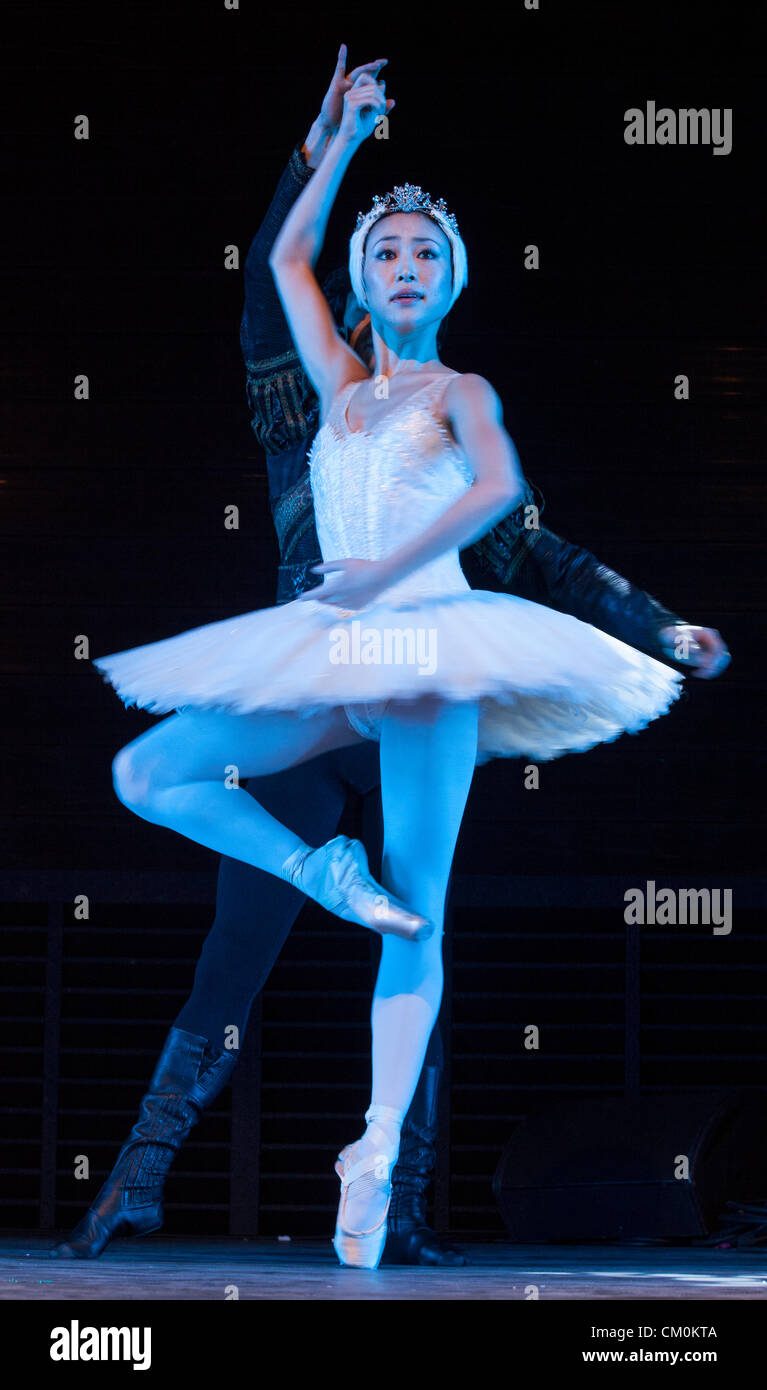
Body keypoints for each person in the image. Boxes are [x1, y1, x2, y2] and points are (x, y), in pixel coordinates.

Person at [53, 51, 729, 1271]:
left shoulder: (460, 388)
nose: (404, 265)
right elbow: (280, 266)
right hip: (317, 659)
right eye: (387, 254)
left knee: (419, 916)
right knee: (172, 804)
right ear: (364, 278)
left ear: (451, 276)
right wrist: (332, 138)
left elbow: (522, 520)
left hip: (419, 639)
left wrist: (662, 624)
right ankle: (159, 1142)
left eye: (424, 254)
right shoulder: (306, 391)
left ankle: (386, 1181)